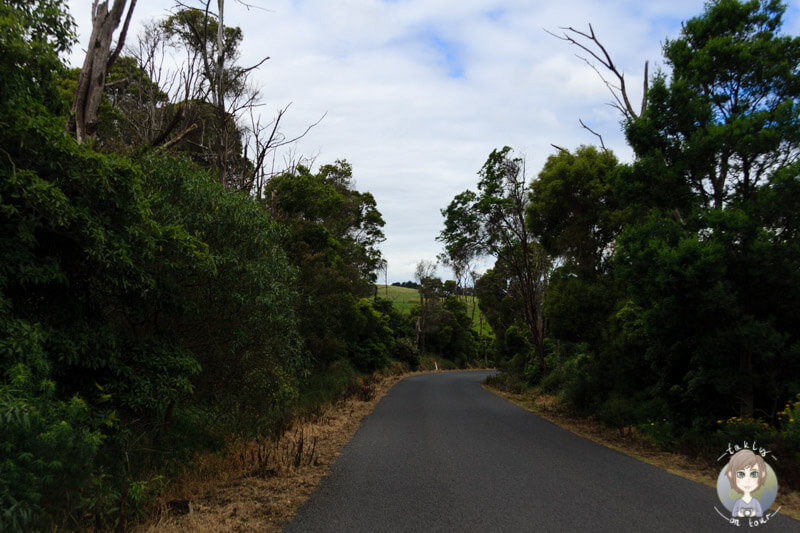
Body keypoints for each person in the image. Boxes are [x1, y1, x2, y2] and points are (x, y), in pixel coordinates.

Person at [725, 449, 767, 518]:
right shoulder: (738, 502)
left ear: (762, 474)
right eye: (741, 474)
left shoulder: (755, 502)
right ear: (731, 475)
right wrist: (739, 513)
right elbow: (734, 513)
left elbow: (760, 513)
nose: (747, 480)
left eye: (754, 474)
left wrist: (754, 513)